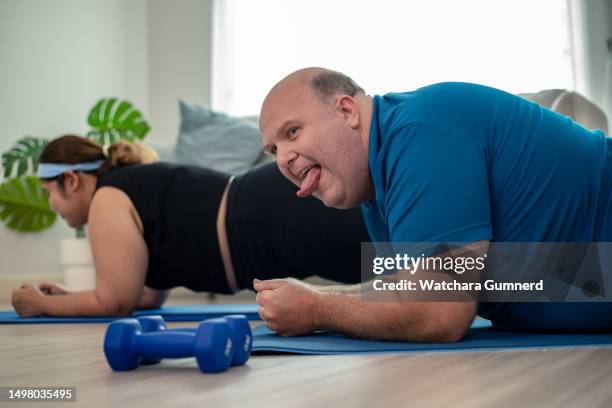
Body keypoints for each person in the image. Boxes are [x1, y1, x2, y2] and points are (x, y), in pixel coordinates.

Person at [255, 67, 612, 341]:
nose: (284, 158)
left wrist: (316, 306)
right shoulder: (376, 189)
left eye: (292, 133)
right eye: (273, 151)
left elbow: (439, 308)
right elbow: (410, 292)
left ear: (347, 110)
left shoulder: (419, 131)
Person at [11, 135, 370, 317]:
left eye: (48, 193)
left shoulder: (107, 197)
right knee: (404, 271)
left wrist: (40, 305)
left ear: (72, 180)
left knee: (411, 271)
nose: (50, 205)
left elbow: (115, 303)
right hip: (267, 224)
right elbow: (146, 296)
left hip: (269, 218)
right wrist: (69, 299)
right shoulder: (122, 189)